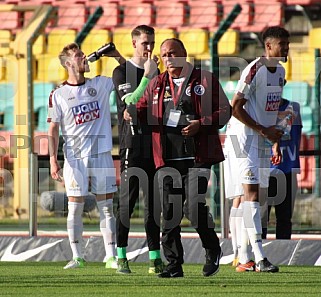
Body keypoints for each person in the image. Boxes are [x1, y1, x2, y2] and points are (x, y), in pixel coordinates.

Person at [135, 38, 231, 277]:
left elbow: (225, 110)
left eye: (173, 53)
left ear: (184, 54)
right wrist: (131, 111)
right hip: (167, 158)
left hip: (198, 156)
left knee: (193, 206)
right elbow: (140, 106)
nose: (168, 58)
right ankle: (174, 265)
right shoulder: (156, 83)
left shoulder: (205, 79)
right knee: (169, 212)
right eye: (164, 54)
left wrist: (203, 124)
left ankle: (212, 248)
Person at [47, 42, 125, 269]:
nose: (85, 58)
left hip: (101, 153)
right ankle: (77, 256)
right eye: (80, 55)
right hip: (74, 158)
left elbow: (130, 77)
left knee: (107, 207)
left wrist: (117, 56)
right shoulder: (58, 94)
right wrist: (53, 160)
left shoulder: (101, 83)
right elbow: (53, 128)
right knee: (75, 207)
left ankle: (111, 256)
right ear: (69, 63)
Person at [226, 26, 290, 273]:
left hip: (261, 137)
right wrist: (264, 131)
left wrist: (274, 139)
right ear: (268, 46)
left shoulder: (281, 71)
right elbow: (235, 108)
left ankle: (243, 258)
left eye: (287, 43)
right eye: (281, 44)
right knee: (251, 195)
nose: (286, 48)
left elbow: (270, 110)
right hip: (243, 138)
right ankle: (260, 257)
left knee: (253, 198)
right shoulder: (255, 69)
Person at [112, 25, 163, 274]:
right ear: (134, 44)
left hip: (153, 146)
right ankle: (120, 254)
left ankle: (155, 257)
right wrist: (148, 76)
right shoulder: (121, 72)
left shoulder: (156, 71)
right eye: (145, 43)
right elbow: (130, 103)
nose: (150, 47)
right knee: (127, 202)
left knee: (154, 205)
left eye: (152, 42)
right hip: (131, 146)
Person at [261, 98, 302, 239]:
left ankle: (284, 253)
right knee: (261, 218)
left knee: (284, 218)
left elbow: (285, 129)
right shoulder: (260, 108)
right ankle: (259, 252)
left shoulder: (293, 107)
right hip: (265, 170)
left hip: (287, 169)